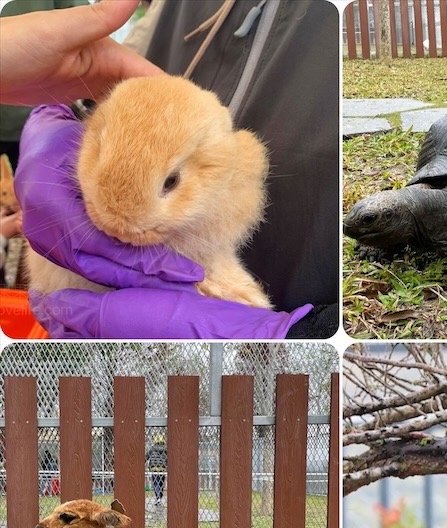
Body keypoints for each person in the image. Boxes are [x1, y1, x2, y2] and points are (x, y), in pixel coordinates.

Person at [2, 0, 338, 338]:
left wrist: (304, 336)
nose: (122, 227)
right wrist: (61, 107)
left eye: (171, 181)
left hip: (285, 292)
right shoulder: (169, 8)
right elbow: (104, 84)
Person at [146, 433, 166, 504]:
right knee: (161, 483)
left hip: (154, 468)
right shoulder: (165, 448)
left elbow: (147, 456)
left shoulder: (153, 448)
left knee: (155, 483)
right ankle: (160, 497)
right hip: (162, 468)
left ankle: (158, 497)